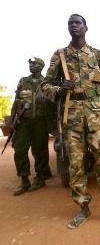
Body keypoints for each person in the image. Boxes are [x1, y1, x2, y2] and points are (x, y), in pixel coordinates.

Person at [41, 14, 100, 229]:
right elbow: (45, 86)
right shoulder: (59, 56)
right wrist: (60, 90)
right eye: (70, 23)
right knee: (76, 166)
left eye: (77, 22)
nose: (73, 25)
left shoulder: (98, 55)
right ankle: (83, 209)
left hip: (97, 115)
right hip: (72, 118)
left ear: (86, 27)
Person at [10, 57, 52, 196]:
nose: (31, 66)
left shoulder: (46, 83)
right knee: (20, 150)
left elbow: (53, 103)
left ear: (41, 67)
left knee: (40, 151)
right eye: (30, 64)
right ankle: (24, 180)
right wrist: (11, 121)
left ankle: (40, 178)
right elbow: (16, 102)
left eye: (34, 64)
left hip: (40, 122)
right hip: (24, 122)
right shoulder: (23, 81)